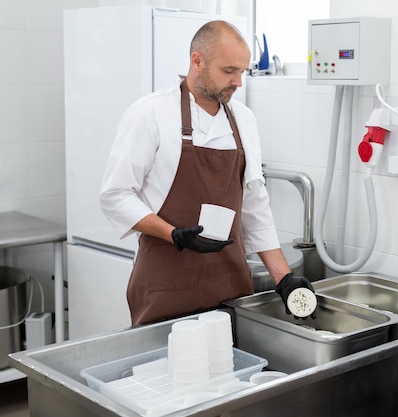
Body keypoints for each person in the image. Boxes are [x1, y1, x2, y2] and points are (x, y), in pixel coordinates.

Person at [99, 20, 315, 326]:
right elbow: (115, 195)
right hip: (166, 282)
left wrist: (284, 279)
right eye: (229, 71)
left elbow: (254, 206)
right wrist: (172, 234)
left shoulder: (243, 120)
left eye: (242, 71)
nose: (238, 81)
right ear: (197, 61)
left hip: (228, 284)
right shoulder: (151, 113)